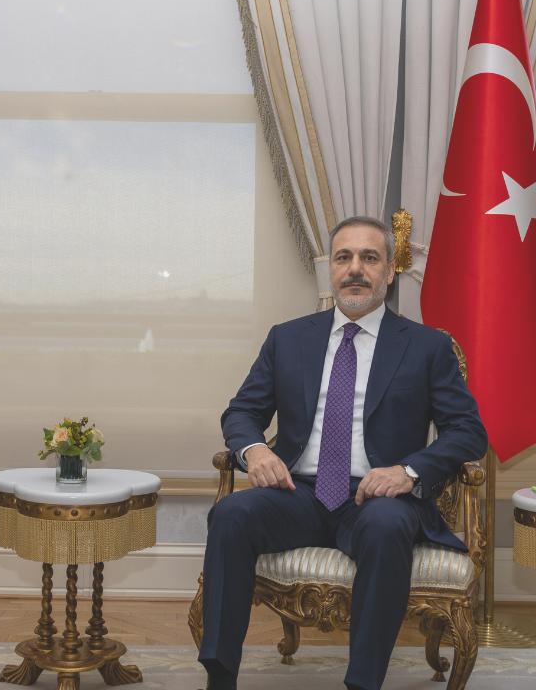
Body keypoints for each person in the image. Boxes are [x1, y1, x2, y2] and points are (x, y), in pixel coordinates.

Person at [199, 216, 487, 690]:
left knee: (386, 525)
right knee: (231, 514)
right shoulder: (287, 338)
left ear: (389, 271)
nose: (355, 269)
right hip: (297, 491)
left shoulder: (426, 346)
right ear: (330, 269)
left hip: (378, 497)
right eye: (344, 257)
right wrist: (255, 451)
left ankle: (363, 683)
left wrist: (409, 471)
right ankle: (220, 676)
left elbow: (468, 431)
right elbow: (242, 411)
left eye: (369, 258)